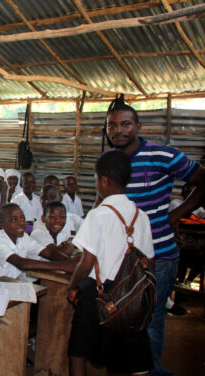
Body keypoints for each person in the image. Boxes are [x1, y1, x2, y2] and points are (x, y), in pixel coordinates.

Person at [104, 96, 205, 376]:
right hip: (120, 259)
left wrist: (175, 216)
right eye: (112, 125)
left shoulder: (162, 155)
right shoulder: (107, 159)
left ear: (138, 125)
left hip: (157, 257)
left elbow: (202, 181)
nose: (118, 130)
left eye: (125, 124)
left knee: (150, 324)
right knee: (123, 322)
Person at [67, 150, 154, 376]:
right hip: (133, 295)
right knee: (133, 357)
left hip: (100, 295)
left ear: (104, 181)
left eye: (96, 180)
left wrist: (72, 286)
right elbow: (149, 260)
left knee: (78, 350)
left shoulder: (98, 215)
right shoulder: (141, 216)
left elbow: (86, 263)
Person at [0, 203, 78, 283]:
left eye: (23, 218)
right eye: (14, 220)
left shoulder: (23, 237)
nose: (21, 223)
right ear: (1, 224)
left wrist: (72, 263)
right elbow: (22, 263)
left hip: (6, 284)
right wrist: (63, 266)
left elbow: (48, 253)